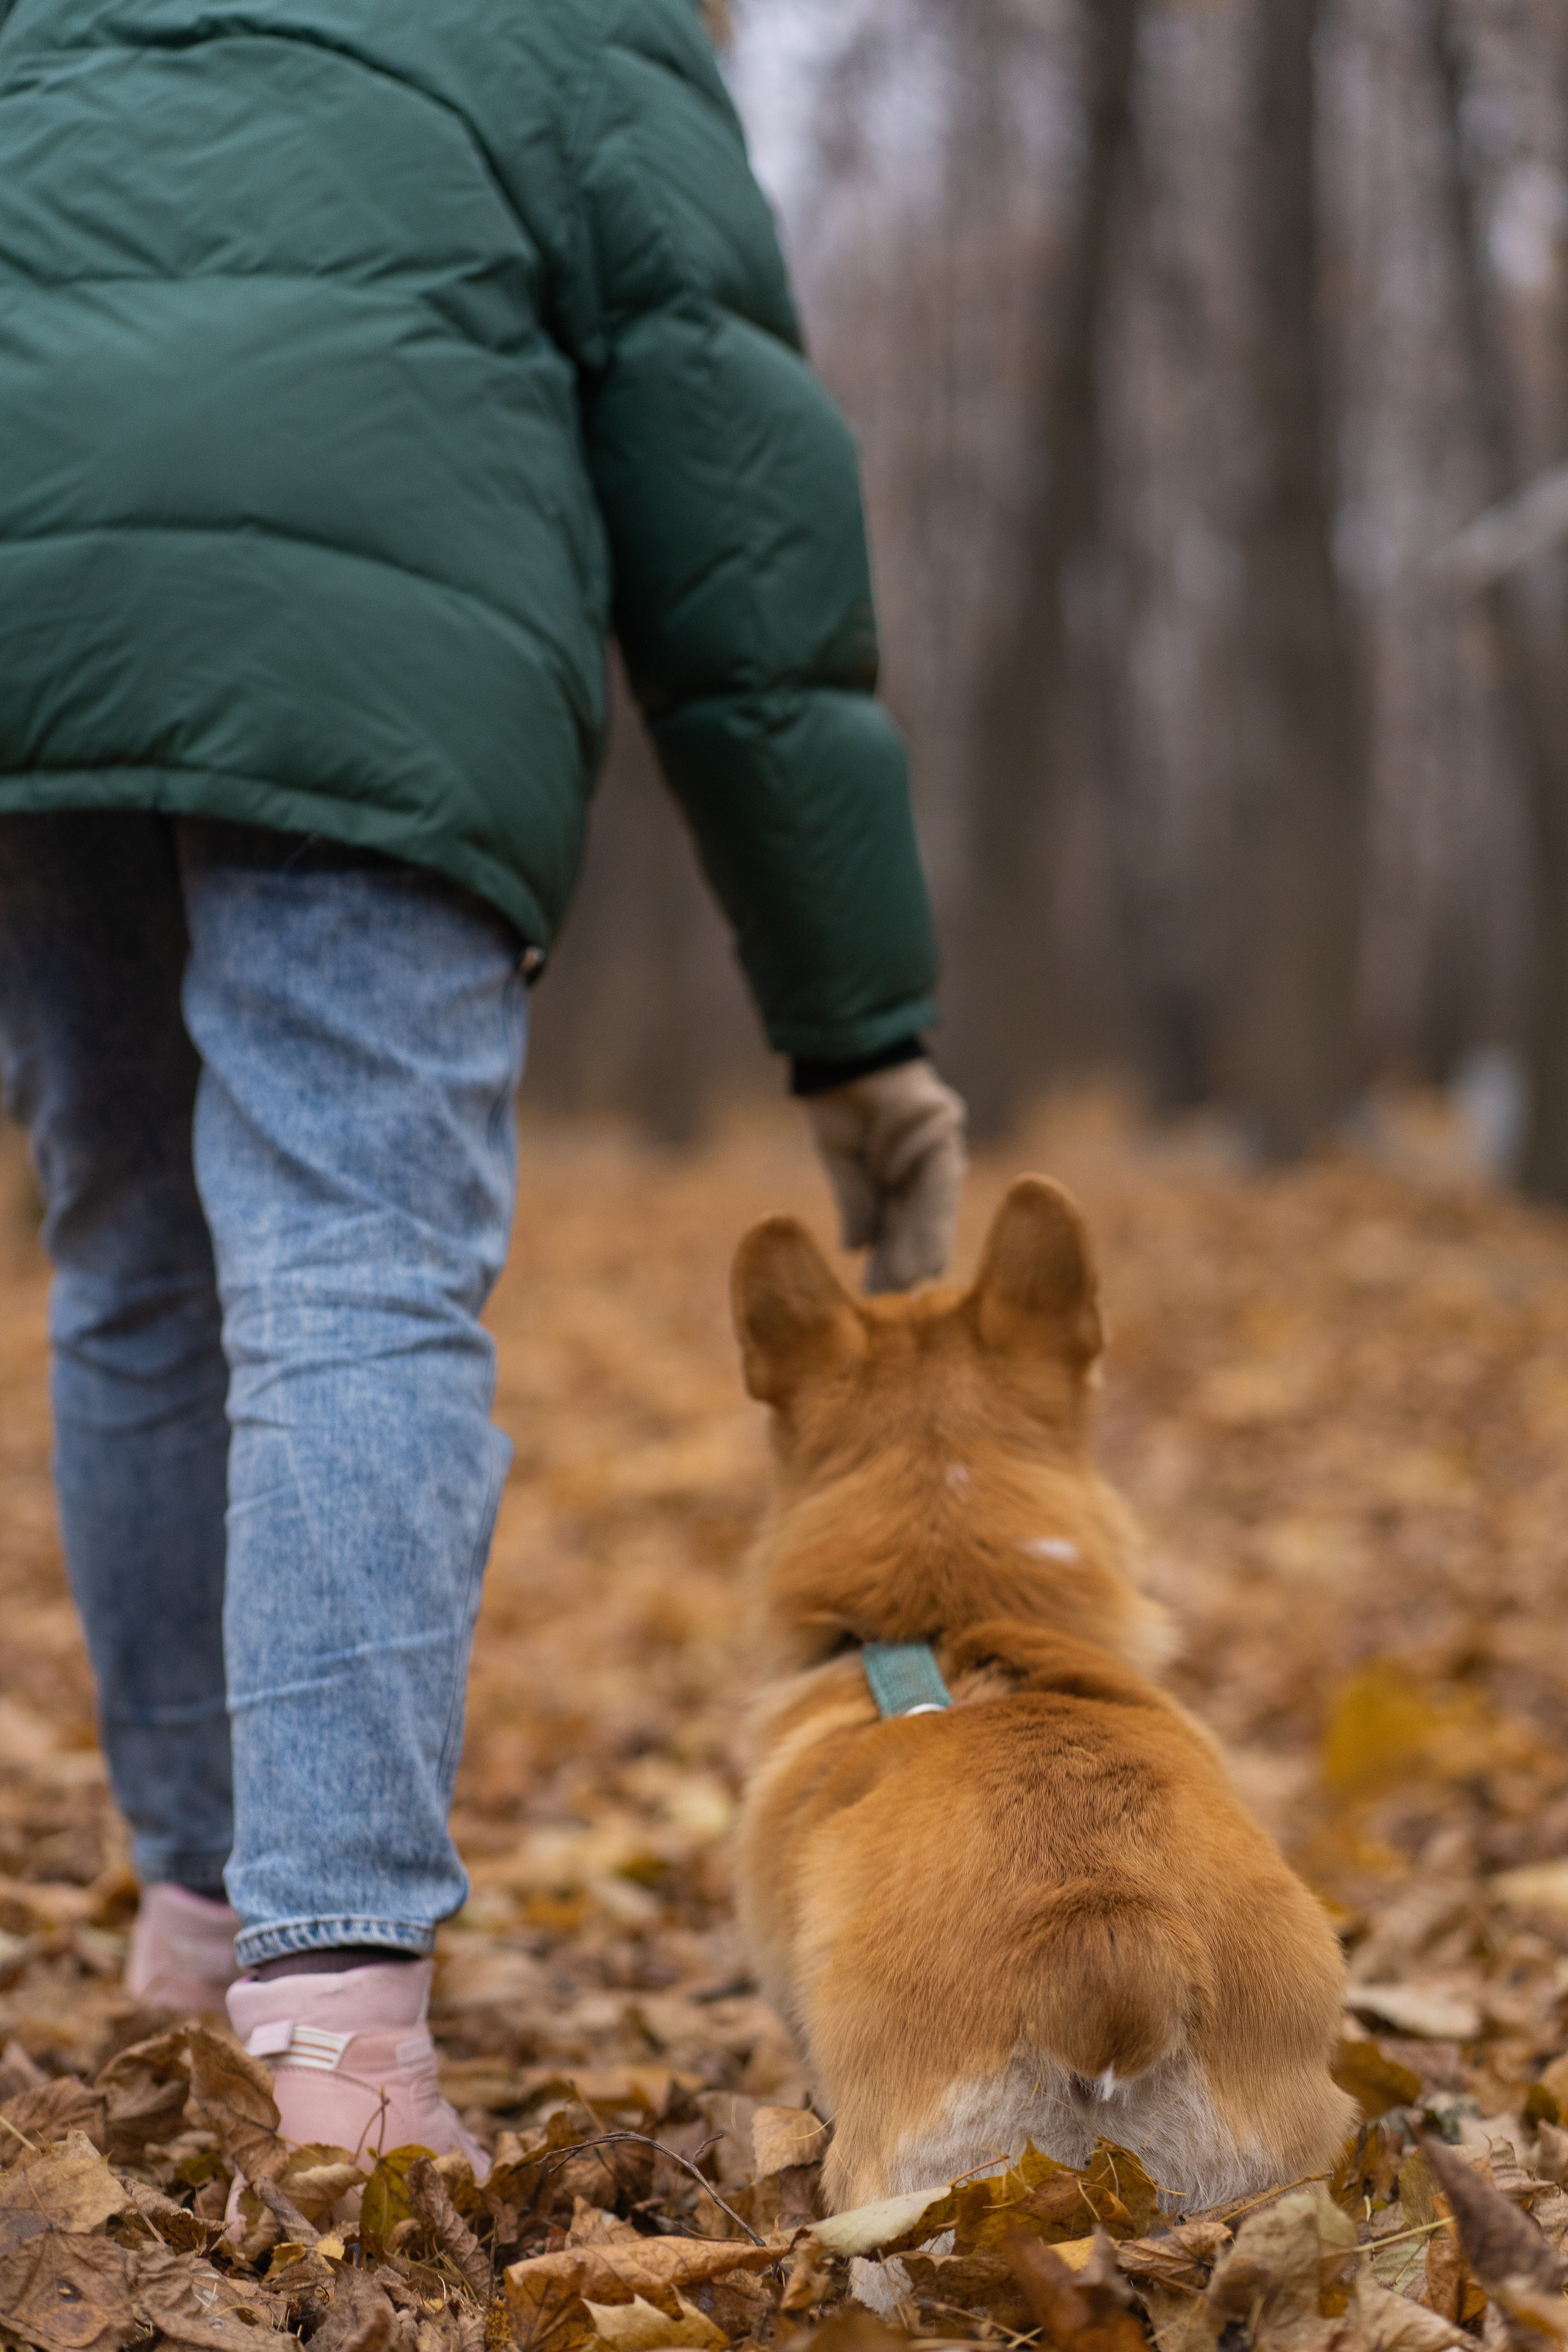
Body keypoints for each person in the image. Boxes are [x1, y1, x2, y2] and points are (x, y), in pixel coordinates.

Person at [0, 0, 966, 2169]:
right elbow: (743, 559)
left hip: (31, 601)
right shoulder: (575, 23)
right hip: (385, 661)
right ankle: (334, 2022)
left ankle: (199, 1917)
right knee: (352, 1260)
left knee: (132, 1252)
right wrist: (858, 1028)